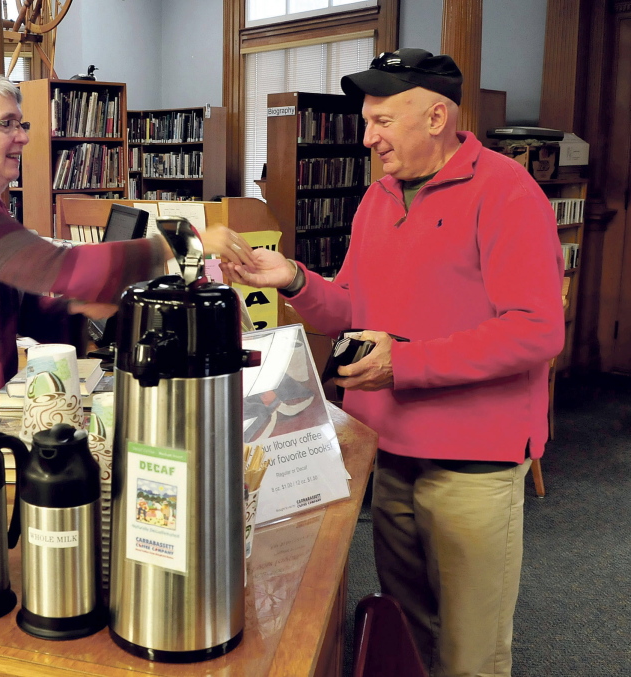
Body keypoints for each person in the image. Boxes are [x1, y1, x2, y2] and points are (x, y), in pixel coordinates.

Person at [221, 49, 565, 677]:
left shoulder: (508, 193)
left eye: (381, 120)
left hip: (473, 464)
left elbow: (537, 331)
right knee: (406, 636)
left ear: (436, 117)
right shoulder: (378, 198)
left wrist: (403, 365)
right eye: (366, 120)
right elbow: (353, 306)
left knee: (470, 653)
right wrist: (294, 279)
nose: (367, 136)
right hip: (390, 450)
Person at [0, 68, 251, 428]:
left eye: (22, 125)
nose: (22, 137)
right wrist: (178, 241)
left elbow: (19, 310)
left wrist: (80, 310)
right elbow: (59, 267)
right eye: (6, 124)